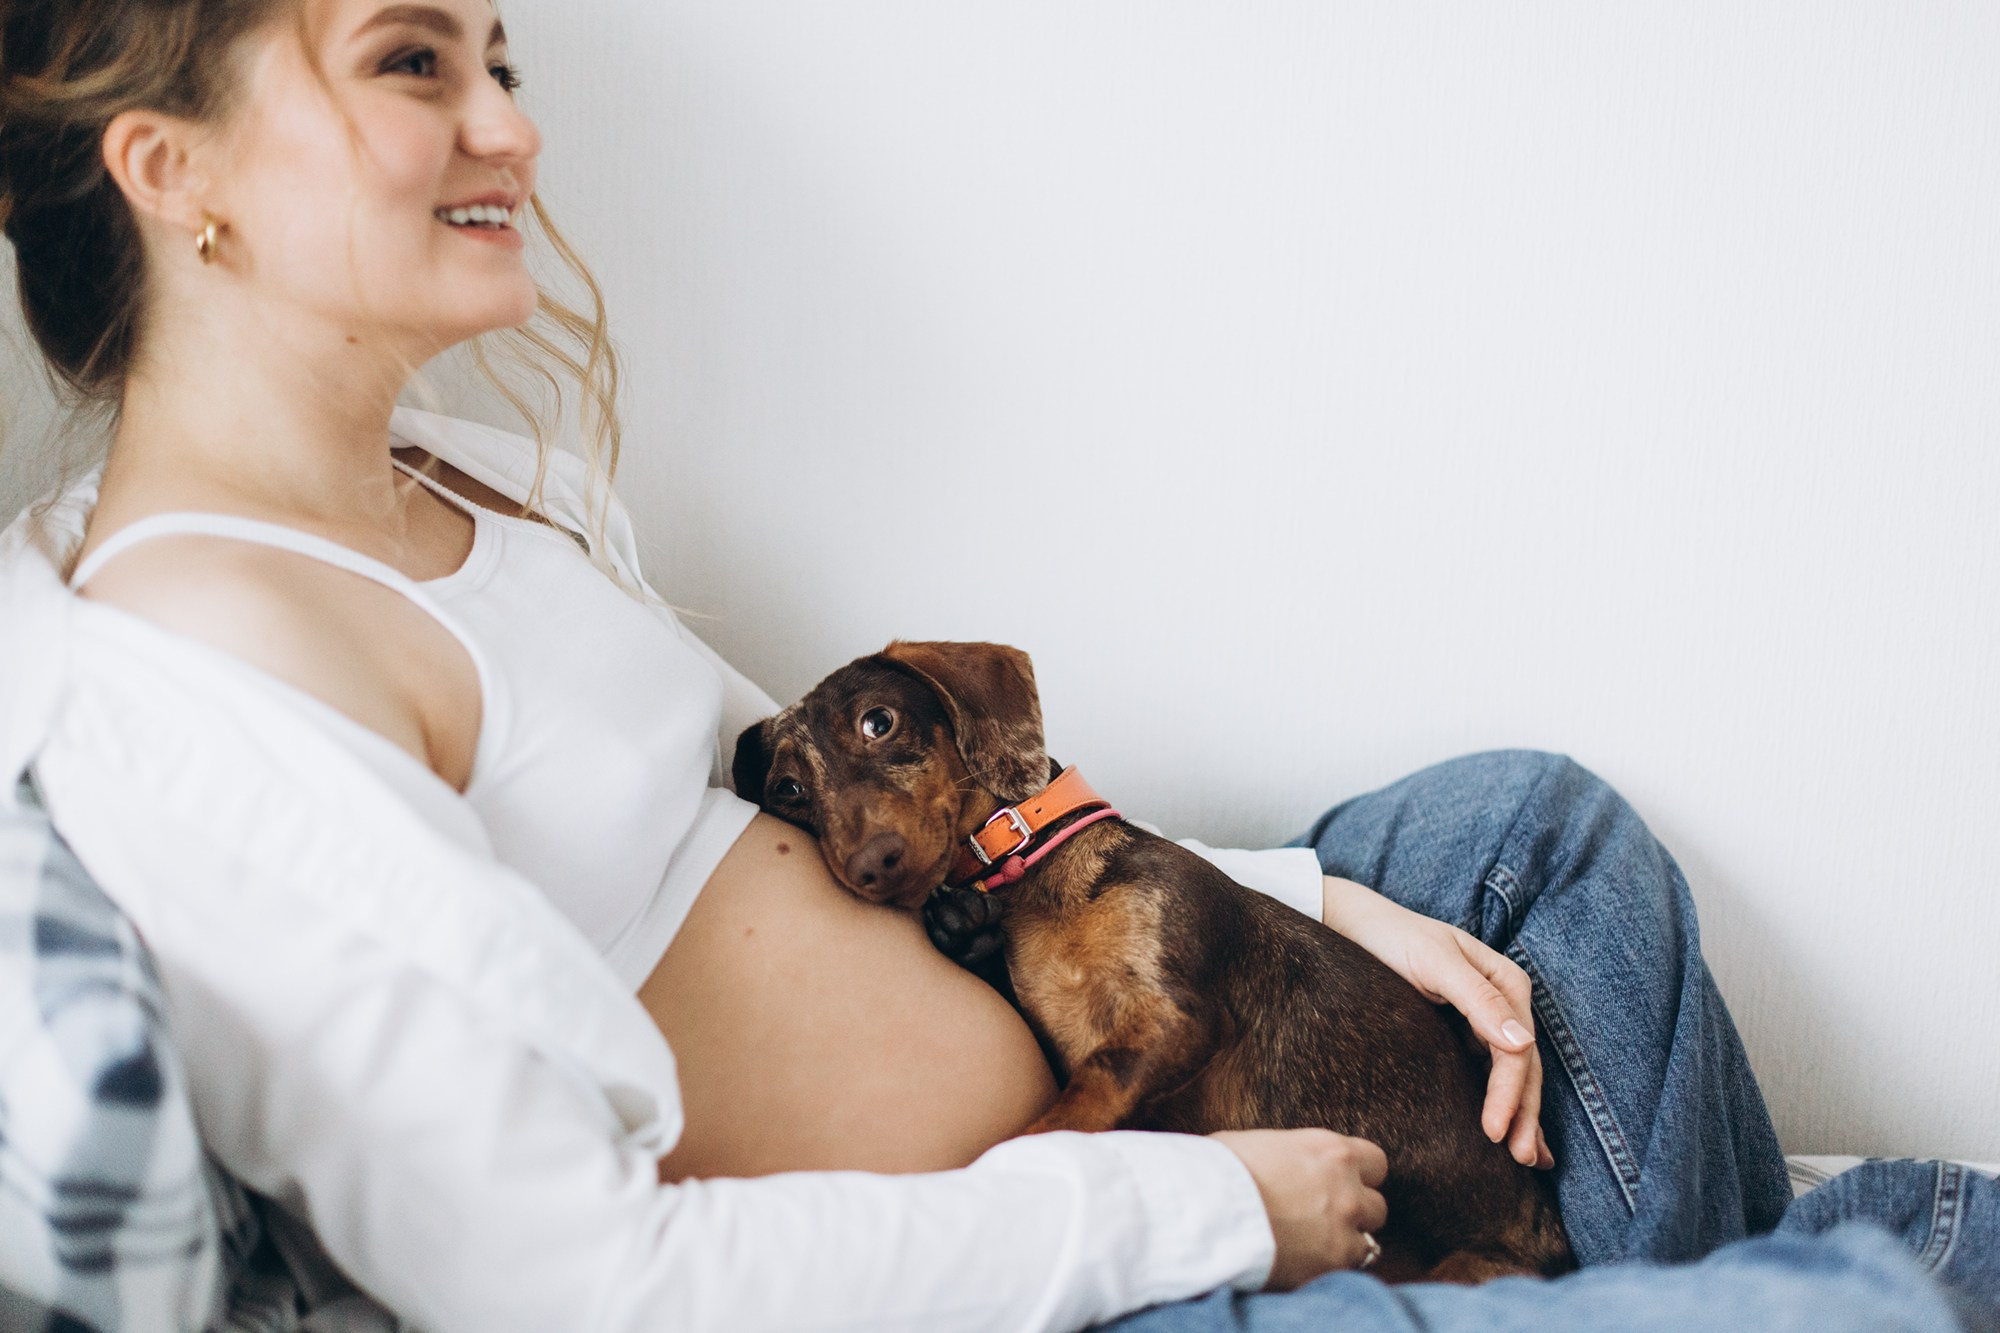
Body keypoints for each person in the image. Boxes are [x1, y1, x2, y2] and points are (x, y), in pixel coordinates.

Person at [0, 0, 1989, 1329]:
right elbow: (579, 1289)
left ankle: (1691, 1278)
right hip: (1031, 1261)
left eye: (497, 56)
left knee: (1528, 843)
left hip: (1106, 1041)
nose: (510, 121)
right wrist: (1218, 1210)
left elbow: (857, 821)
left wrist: (1289, 901)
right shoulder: (209, 671)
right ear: (172, 170)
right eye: (413, 60)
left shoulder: (460, 486)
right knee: (1859, 1302)